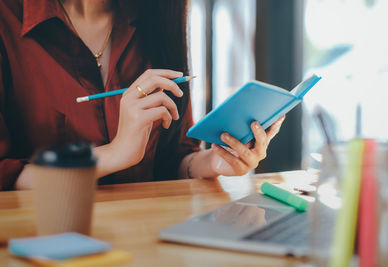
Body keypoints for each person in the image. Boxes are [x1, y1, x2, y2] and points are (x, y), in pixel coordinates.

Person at [0, 0, 284, 190]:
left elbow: (175, 158)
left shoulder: (158, 14)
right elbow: (5, 177)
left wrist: (215, 162)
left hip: (144, 235)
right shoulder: (7, 20)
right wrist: (115, 153)